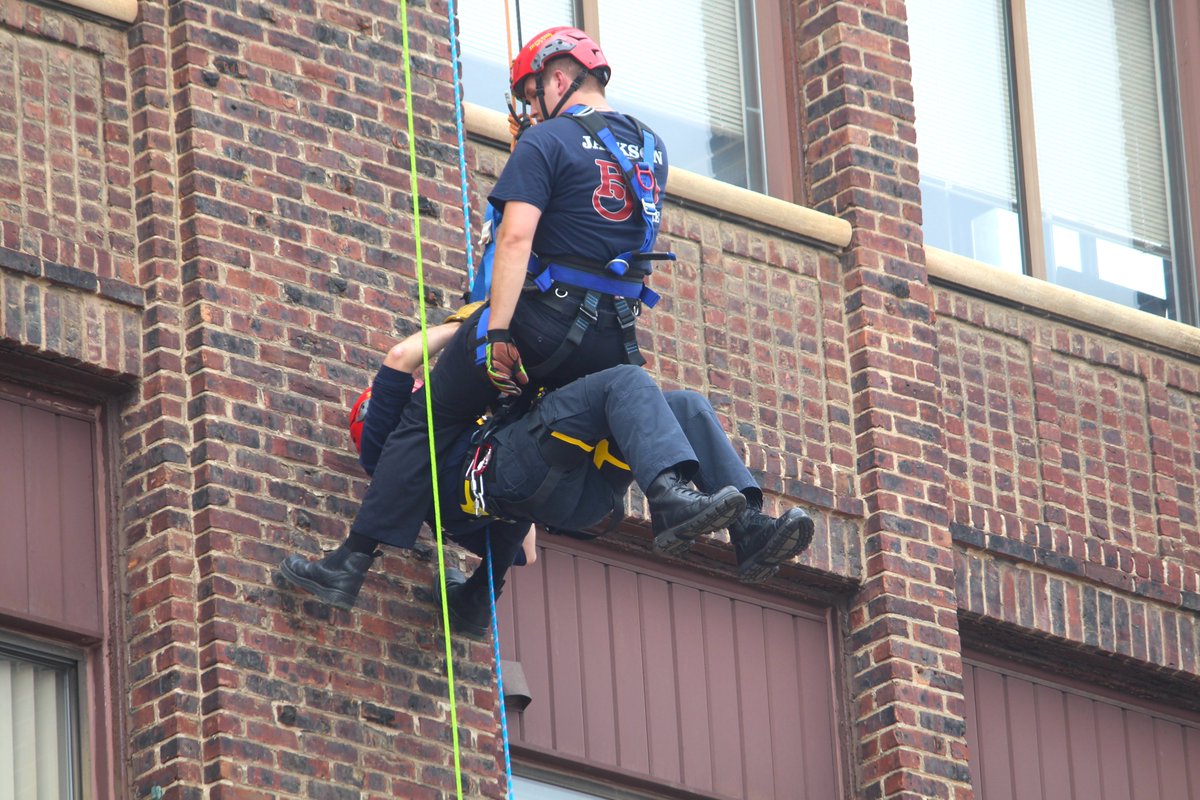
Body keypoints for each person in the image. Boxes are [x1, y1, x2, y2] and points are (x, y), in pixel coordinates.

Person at [277, 26, 684, 588]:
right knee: (532, 430)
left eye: (537, 96)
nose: (536, 110)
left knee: (430, 418)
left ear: (559, 79)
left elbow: (518, 240)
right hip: (614, 334)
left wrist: (488, 328)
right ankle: (477, 597)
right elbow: (582, 212)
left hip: (544, 322)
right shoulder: (652, 150)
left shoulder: (549, 142)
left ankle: (351, 562)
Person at [280, 353, 815, 635]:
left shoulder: (424, 475)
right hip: (527, 476)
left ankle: (749, 527)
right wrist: (465, 327)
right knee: (625, 383)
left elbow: (525, 548)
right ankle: (674, 503)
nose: (424, 390)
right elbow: (401, 359)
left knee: (686, 406)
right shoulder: (404, 438)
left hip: (564, 494)